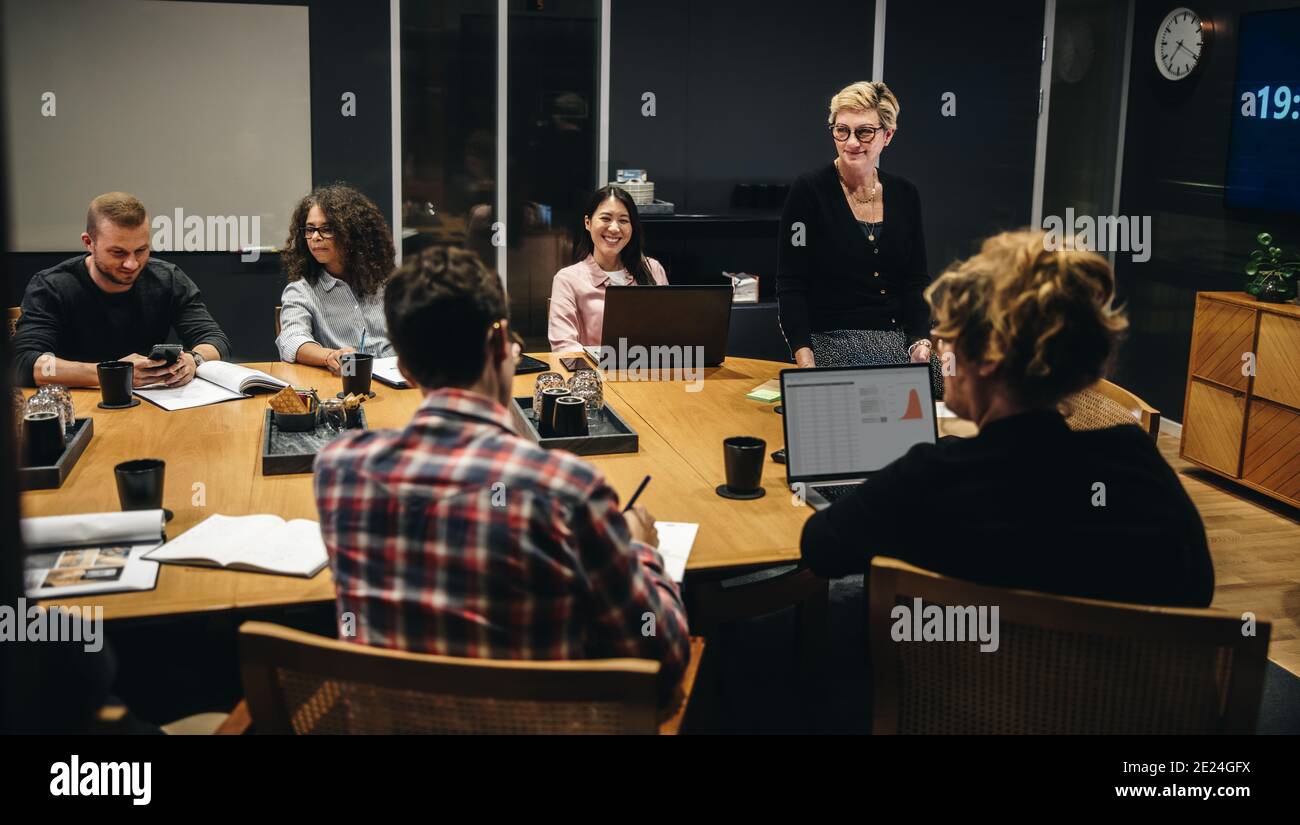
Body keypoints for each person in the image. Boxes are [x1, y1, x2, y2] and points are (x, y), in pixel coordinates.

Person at [314, 246, 690, 703]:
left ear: (407, 370)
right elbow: (663, 657)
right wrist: (636, 547)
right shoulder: (567, 488)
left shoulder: (338, 470)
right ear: (502, 345)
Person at [801, 229, 1214, 608]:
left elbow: (820, 547)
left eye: (949, 338)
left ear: (988, 359)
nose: (943, 354)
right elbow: (1198, 589)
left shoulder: (931, 476)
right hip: (1135, 686)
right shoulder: (1135, 459)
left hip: (964, 685)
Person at [777, 81, 940, 395]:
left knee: (972, 388)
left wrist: (920, 340)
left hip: (898, 340)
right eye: (842, 130)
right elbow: (790, 284)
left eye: (864, 132)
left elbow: (916, 279)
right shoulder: (809, 191)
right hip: (832, 339)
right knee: (884, 394)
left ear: (887, 135)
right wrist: (805, 363)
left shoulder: (905, 194)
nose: (852, 142)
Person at [11, 192, 230, 389]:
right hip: (79, 407)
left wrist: (193, 360)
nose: (132, 264)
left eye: (141, 250)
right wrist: (113, 373)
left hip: (152, 403)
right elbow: (25, 362)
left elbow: (215, 340)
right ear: (89, 243)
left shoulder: (167, 279)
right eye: (118, 252)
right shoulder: (52, 287)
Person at [276, 184, 396, 374]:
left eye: (326, 229)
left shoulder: (387, 282)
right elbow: (292, 340)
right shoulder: (302, 290)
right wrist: (329, 356)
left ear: (351, 233)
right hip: (344, 384)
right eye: (309, 229)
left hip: (398, 382)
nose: (315, 237)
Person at [548, 185, 668, 353]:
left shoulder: (653, 269)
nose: (614, 228)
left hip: (650, 374)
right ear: (588, 223)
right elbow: (564, 346)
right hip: (594, 376)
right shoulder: (567, 279)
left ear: (632, 228)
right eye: (606, 218)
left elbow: (669, 333)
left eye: (623, 220)